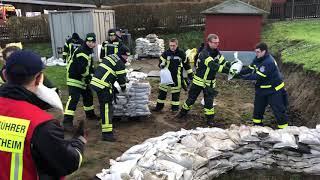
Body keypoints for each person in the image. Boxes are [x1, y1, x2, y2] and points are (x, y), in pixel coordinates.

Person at [0, 50, 86, 179]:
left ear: (5, 75)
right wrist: (79, 142)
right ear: (39, 78)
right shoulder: (40, 124)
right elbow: (68, 164)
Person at [177, 34, 233, 126]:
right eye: (215, 43)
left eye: (218, 42)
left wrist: (233, 65)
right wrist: (228, 70)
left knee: (209, 103)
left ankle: (210, 120)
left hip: (210, 83)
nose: (217, 44)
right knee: (191, 99)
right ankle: (182, 113)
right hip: (198, 81)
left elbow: (224, 62)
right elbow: (213, 66)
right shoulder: (204, 53)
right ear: (209, 42)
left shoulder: (217, 53)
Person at [237, 42, 288, 129]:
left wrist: (242, 77)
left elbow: (258, 76)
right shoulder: (258, 58)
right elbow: (250, 68)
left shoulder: (268, 62)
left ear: (264, 51)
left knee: (279, 111)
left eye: (258, 52)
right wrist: (239, 72)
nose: (256, 54)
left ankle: (284, 130)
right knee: (257, 110)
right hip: (261, 90)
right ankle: (257, 127)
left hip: (274, 91)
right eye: (255, 52)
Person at [90, 45, 130, 141]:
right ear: (121, 54)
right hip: (103, 85)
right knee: (107, 108)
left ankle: (106, 124)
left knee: (105, 106)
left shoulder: (110, 56)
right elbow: (121, 80)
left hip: (96, 82)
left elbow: (110, 72)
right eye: (126, 56)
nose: (127, 58)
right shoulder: (120, 63)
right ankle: (107, 133)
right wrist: (124, 89)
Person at [64, 33, 99, 129]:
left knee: (88, 95)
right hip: (74, 78)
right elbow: (81, 68)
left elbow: (90, 66)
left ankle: (90, 115)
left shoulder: (89, 50)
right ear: (85, 41)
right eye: (89, 41)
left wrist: (94, 74)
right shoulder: (82, 51)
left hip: (82, 79)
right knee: (74, 99)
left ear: (95, 43)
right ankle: (67, 121)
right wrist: (88, 77)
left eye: (92, 42)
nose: (90, 43)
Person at [153, 38, 193, 112]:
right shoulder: (165, 53)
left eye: (173, 45)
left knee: (175, 94)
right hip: (166, 77)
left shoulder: (181, 54)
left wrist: (190, 75)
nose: (172, 47)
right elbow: (160, 62)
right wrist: (161, 64)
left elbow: (187, 65)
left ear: (177, 45)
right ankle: (159, 107)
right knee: (162, 93)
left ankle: (174, 109)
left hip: (176, 77)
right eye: (171, 45)